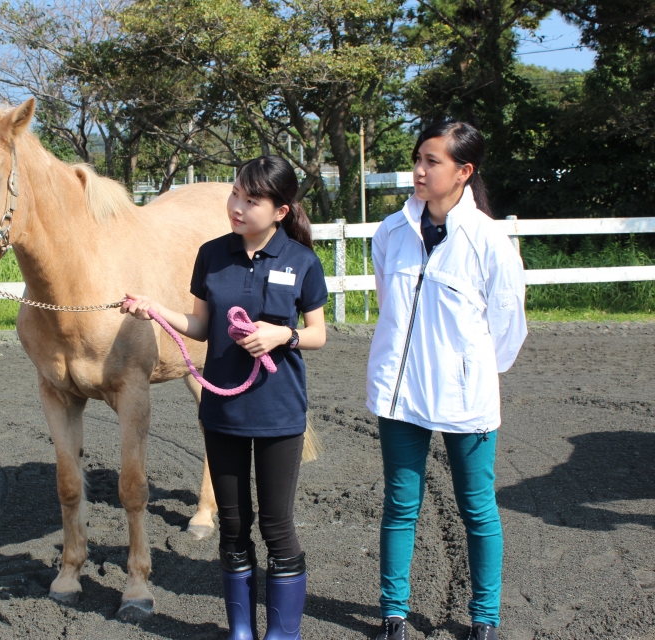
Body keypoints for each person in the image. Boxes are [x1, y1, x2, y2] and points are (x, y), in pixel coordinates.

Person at [122, 156, 328, 640]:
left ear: (280, 210)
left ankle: (281, 634)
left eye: (250, 200)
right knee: (234, 529)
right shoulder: (212, 254)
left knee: (277, 527)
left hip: (279, 413)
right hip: (224, 412)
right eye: (235, 195)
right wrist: (155, 310)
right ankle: (240, 632)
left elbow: (319, 333)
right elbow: (199, 326)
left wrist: (282, 336)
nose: (236, 206)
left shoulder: (302, 261)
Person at [367, 121, 527, 640]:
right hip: (400, 395)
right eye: (418, 158)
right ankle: (393, 611)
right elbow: (391, 307)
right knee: (400, 505)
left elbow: (507, 326)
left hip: (466, 399)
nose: (419, 170)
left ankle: (485, 618)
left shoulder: (489, 241)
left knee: (478, 510)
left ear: (464, 171)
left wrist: (469, 371)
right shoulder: (390, 232)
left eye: (432, 161)